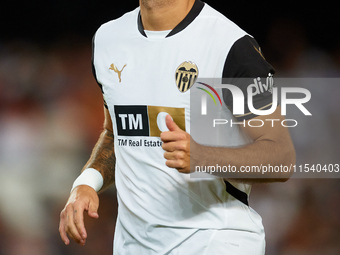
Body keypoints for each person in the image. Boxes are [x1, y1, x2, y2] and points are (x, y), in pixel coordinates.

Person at [59, 0, 295, 254]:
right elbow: (118, 133)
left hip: (216, 241)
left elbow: (280, 156)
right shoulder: (108, 39)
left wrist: (202, 157)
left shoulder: (231, 46)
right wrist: (85, 183)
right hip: (133, 246)